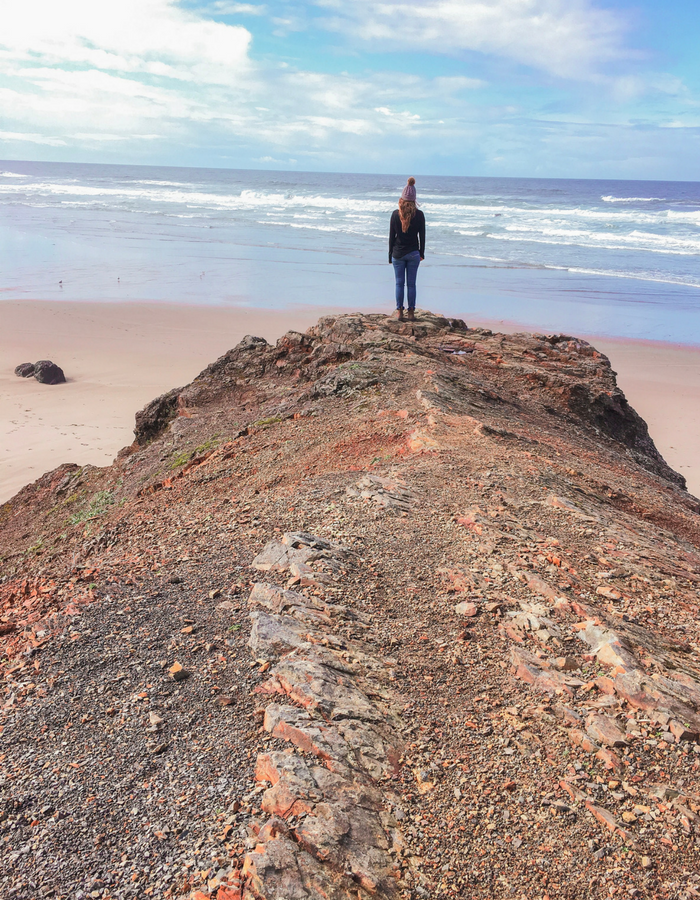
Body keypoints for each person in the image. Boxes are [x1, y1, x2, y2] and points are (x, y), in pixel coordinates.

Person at [388, 177, 425, 321]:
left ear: (402, 199)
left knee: (399, 283)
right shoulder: (420, 215)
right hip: (413, 254)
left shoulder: (395, 214)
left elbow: (392, 236)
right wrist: (421, 253)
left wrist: (390, 255)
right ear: (414, 199)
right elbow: (422, 236)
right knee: (411, 284)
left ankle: (399, 312)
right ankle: (411, 312)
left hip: (397, 254)